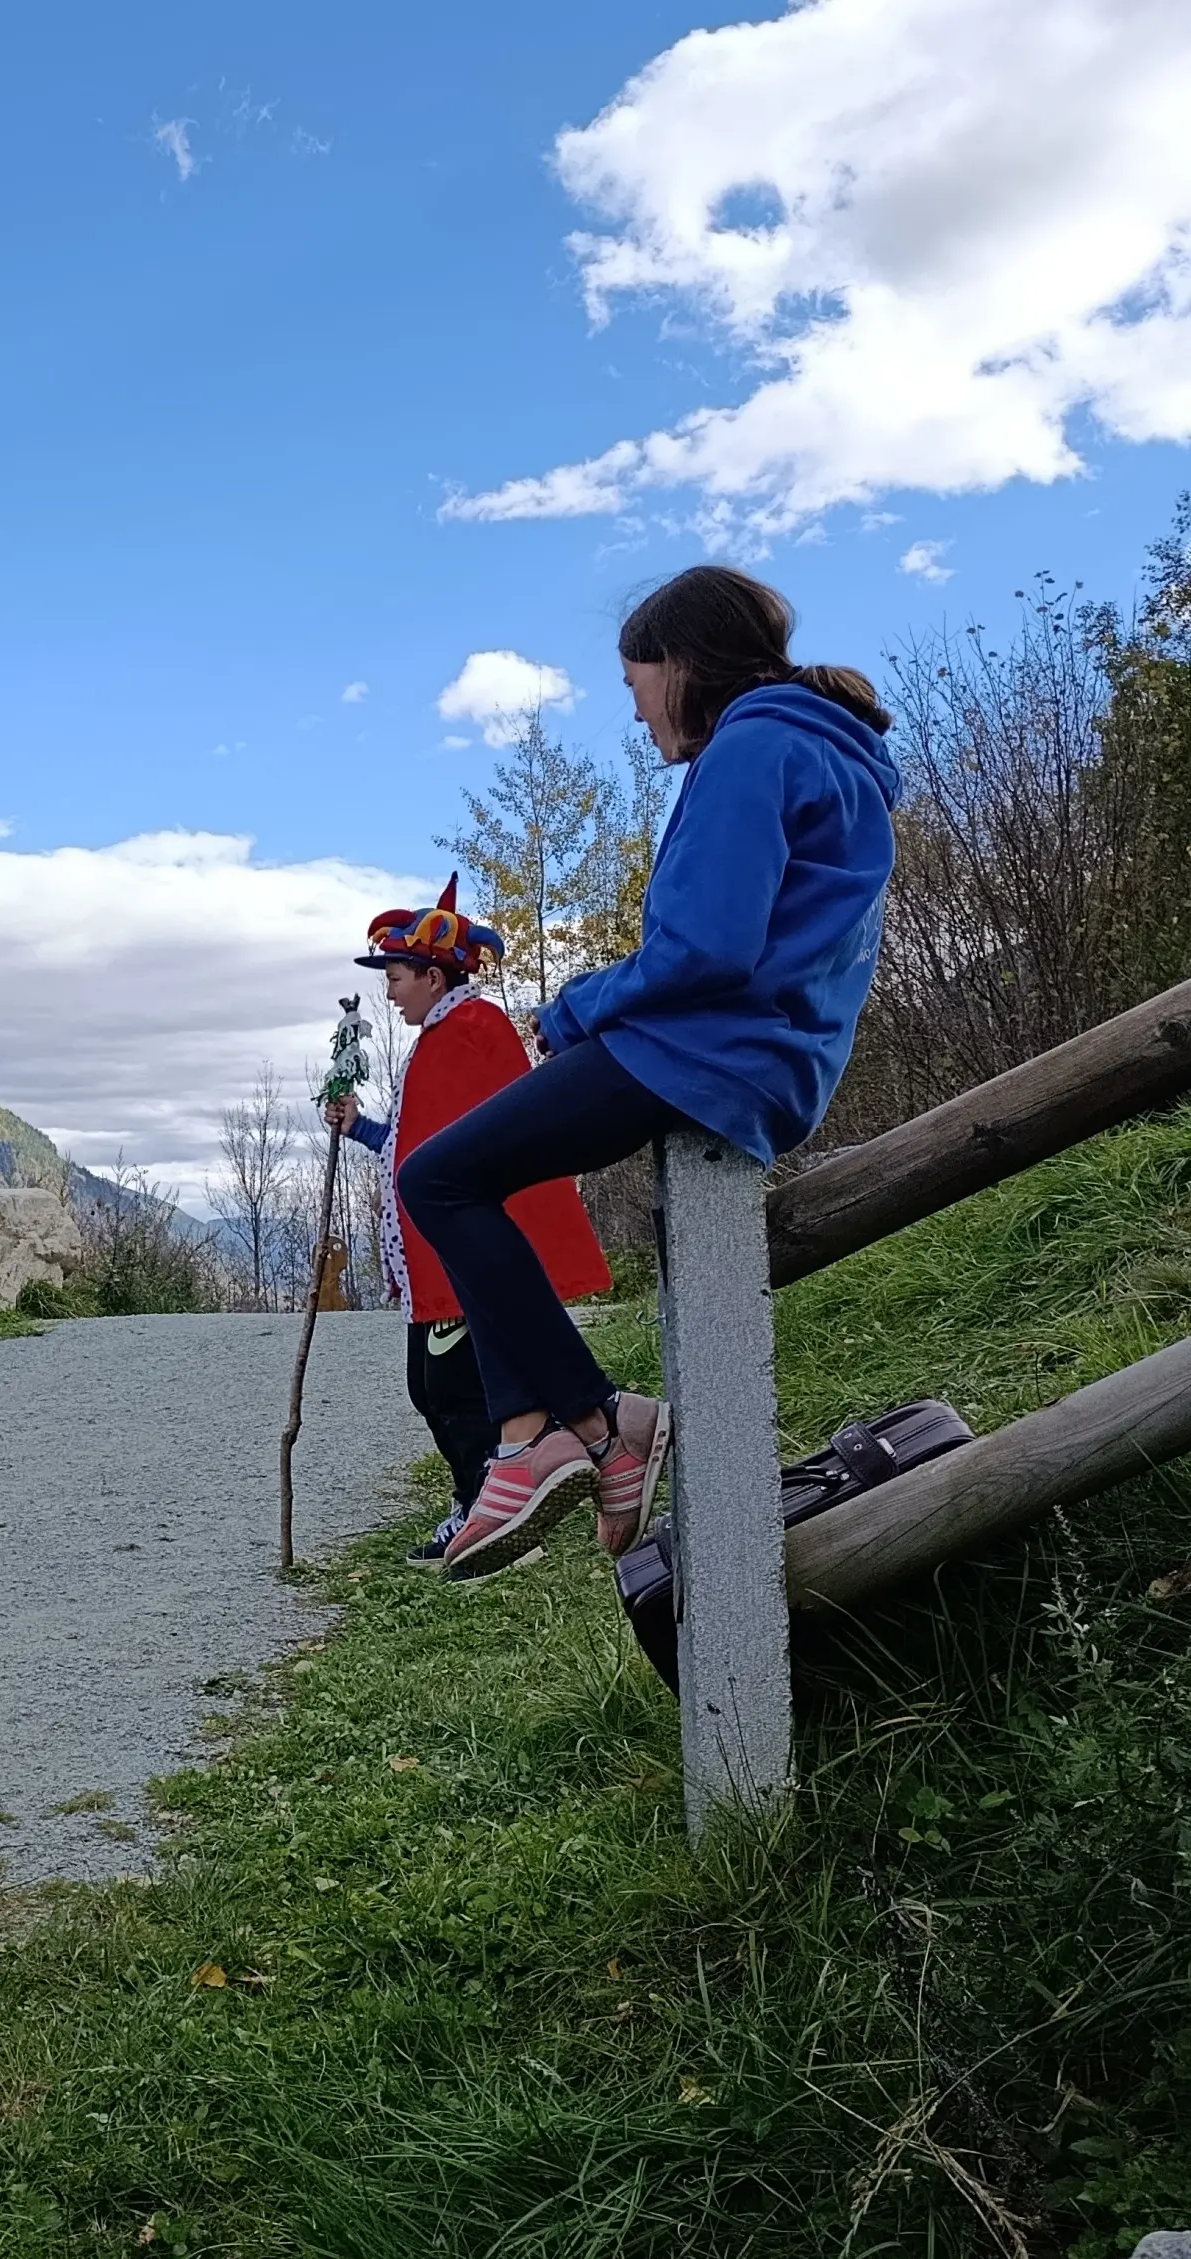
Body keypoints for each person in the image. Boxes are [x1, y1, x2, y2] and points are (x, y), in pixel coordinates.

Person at [397, 565, 899, 1580]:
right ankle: (546, 1434)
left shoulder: (752, 746)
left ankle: (589, 1422)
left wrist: (579, 1003)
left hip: (707, 1051)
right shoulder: (831, 753)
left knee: (441, 1177)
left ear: (682, 666)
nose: (637, 716)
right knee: (469, 1177)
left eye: (635, 689)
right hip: (774, 1057)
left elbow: (707, 947)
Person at [324, 879, 610, 1564]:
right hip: (444, 1250)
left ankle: (497, 1501)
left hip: (463, 1251)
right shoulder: (444, 1035)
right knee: (435, 1384)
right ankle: (487, 1494)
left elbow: (487, 1144)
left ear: (431, 973)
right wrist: (360, 1126)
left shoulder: (474, 1032)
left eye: (396, 977)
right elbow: (419, 1143)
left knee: (447, 1385)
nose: (390, 993)